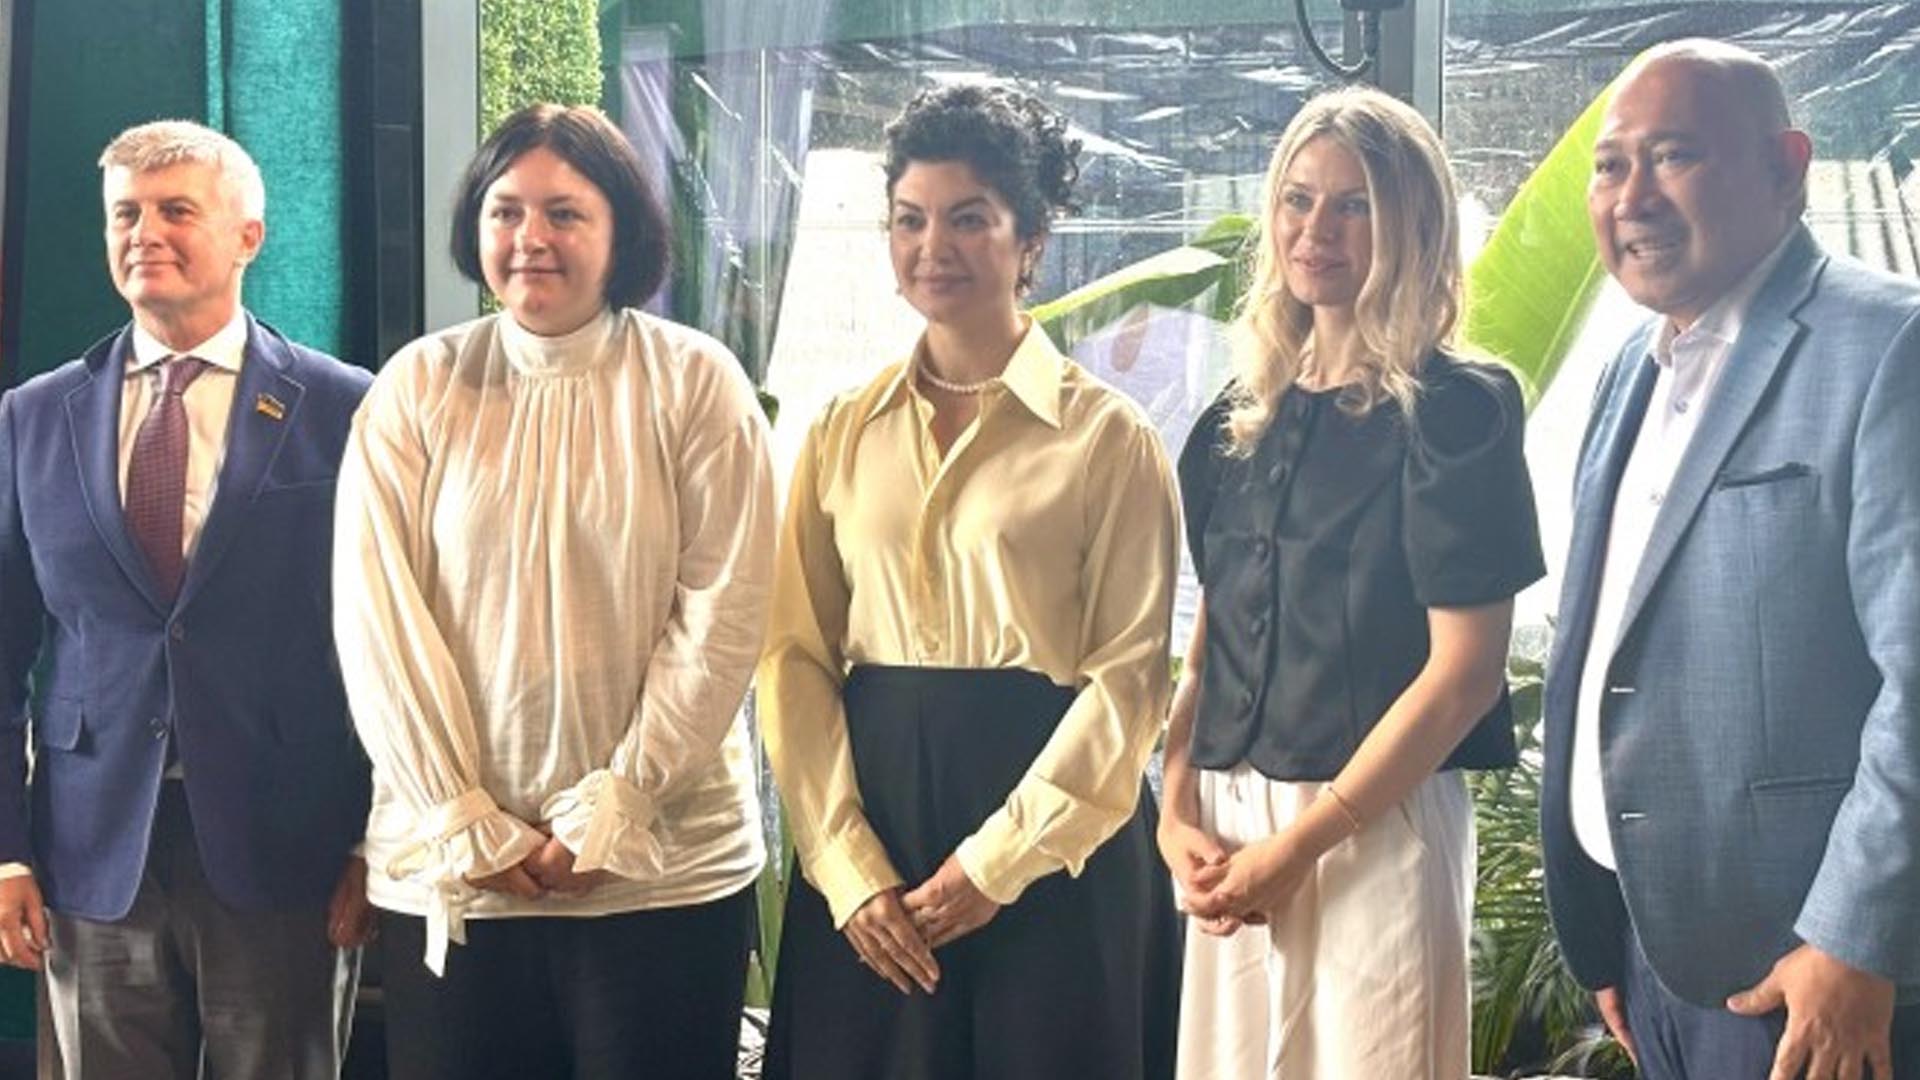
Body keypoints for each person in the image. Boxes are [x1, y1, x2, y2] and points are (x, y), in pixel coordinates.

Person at [331, 103, 775, 1079]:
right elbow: (378, 624)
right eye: (506, 211)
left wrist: (619, 805)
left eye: (565, 213)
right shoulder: (417, 386)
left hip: (663, 873)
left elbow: (724, 614)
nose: (531, 237)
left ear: (622, 231)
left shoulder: (697, 383)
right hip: (456, 872)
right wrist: (464, 816)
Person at [757, 83, 1182, 1080]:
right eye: (909, 219)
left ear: (1031, 239)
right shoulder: (839, 429)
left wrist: (999, 863)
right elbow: (793, 655)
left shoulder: (1110, 438)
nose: (931, 247)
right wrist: (846, 869)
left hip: (1057, 849)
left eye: (968, 219)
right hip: (877, 842)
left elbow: (1129, 682)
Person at [1543, 38, 1920, 1079]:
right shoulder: (1629, 370)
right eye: (1610, 165)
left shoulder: (1888, 349)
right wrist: (1606, 932)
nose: (1633, 196)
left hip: (1809, 979)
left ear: (1786, 168)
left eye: (1674, 155)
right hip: (1652, 955)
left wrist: (1854, 941)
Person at [1164, 86, 1543, 1078]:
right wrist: (1172, 807)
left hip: (1374, 820)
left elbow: (1464, 676)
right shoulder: (1237, 416)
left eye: (1354, 204)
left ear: (1413, 223)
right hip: (1228, 821)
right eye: (1298, 199)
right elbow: (1212, 638)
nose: (1316, 229)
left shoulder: (1457, 412)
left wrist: (1304, 844)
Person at [0, 119, 372, 1078]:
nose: (145, 234)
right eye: (125, 214)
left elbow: (392, 646)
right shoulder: (34, 416)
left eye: (176, 210)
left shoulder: (346, 407)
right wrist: (6, 852)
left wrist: (375, 838)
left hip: (285, 847)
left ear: (248, 236)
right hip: (89, 855)